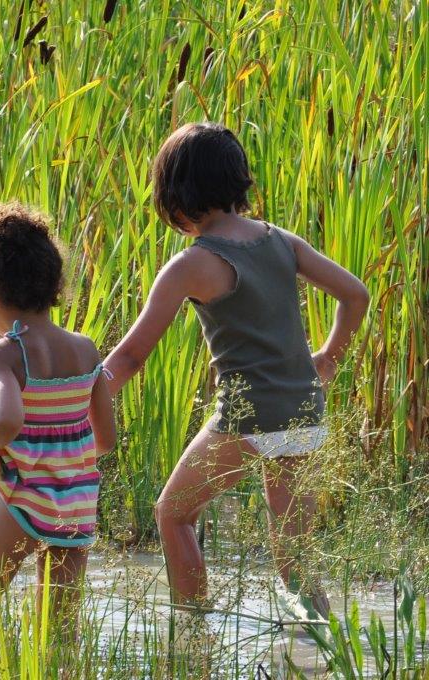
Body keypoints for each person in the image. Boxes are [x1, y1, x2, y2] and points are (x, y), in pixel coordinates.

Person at [104, 122, 370, 619]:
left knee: (174, 515)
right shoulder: (280, 241)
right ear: (236, 182)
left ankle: (192, 633)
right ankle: (330, 650)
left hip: (248, 418)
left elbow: (130, 357)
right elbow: (356, 295)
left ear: (175, 198)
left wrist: (78, 391)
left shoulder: (192, 264)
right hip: (302, 411)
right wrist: (329, 359)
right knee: (295, 560)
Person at [0, 202, 117, 635]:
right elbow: (106, 439)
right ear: (53, 287)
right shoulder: (85, 349)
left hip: (21, 504)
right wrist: (62, 463)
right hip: (75, 508)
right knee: (58, 640)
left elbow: (5, 419)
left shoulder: (4, 353)